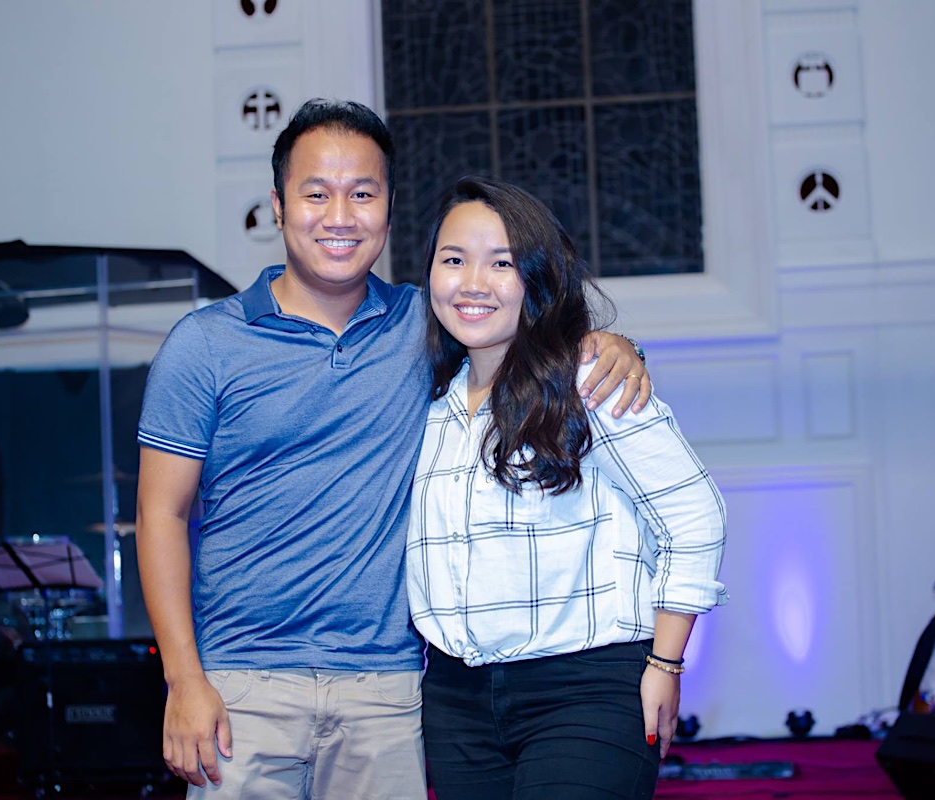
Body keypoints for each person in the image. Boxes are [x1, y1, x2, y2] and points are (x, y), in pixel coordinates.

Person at [134, 99, 651, 800]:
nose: (339, 216)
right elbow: (161, 515)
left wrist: (614, 345)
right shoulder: (205, 344)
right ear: (279, 208)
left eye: (362, 194)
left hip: (387, 692)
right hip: (242, 687)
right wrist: (183, 679)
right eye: (316, 194)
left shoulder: (426, 326)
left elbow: (527, 333)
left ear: (389, 209)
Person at [406, 176, 728, 800]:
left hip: (586, 689)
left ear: (537, 277)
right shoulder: (427, 403)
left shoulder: (587, 379)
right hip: (456, 700)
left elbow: (695, 514)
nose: (473, 283)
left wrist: (666, 662)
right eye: (454, 260)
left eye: (502, 263)